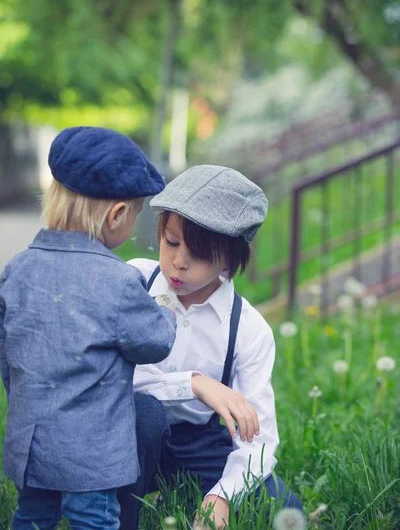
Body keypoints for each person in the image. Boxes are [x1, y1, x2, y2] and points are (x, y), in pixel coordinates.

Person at [0, 126, 177, 530]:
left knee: (32, 515)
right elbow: (155, 342)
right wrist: (164, 306)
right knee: (93, 520)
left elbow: (6, 352)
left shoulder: (16, 270)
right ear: (116, 215)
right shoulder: (117, 281)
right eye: (132, 215)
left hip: (30, 444)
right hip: (91, 456)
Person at [118, 165, 302, 530]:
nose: (179, 261)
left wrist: (223, 494)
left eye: (198, 254)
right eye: (171, 242)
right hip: (129, 431)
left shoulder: (248, 328)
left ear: (229, 260)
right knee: (145, 415)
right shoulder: (134, 280)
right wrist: (196, 384)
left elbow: (259, 439)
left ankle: (204, 492)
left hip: (196, 443)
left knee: (282, 504)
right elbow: (116, 377)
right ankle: (120, 515)